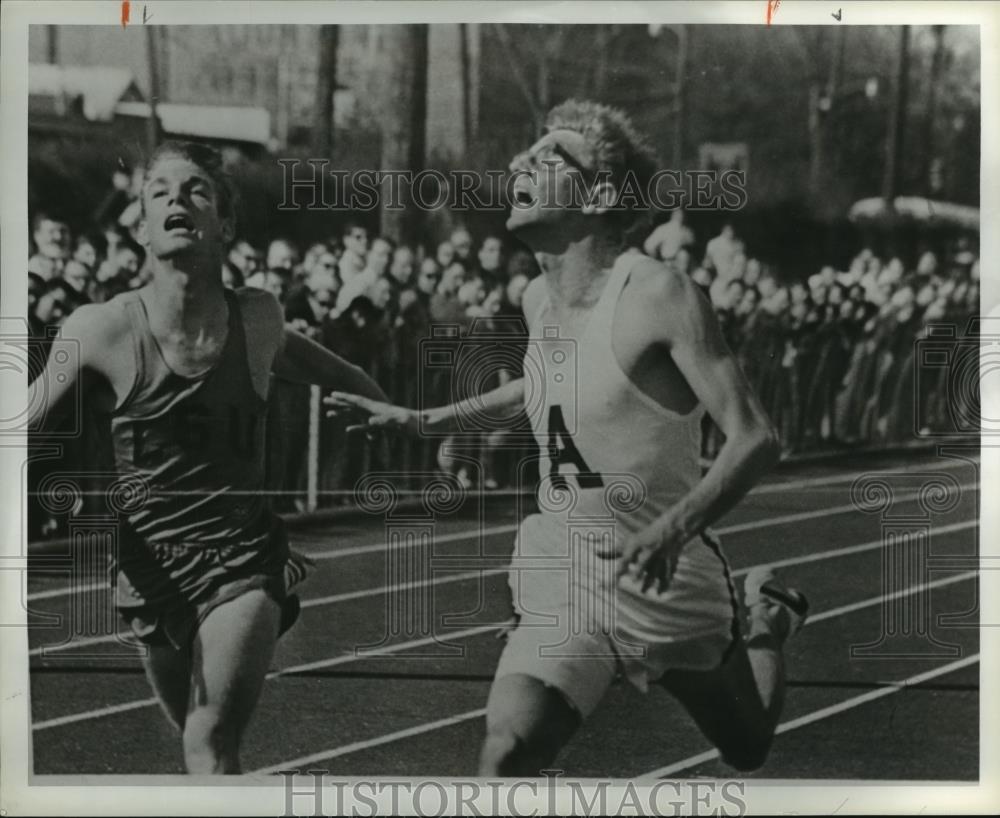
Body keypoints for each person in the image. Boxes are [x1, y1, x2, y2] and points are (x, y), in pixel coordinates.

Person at [328, 100, 808, 777]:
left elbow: (756, 438)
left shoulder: (657, 292)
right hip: (568, 568)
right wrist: (426, 421)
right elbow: (545, 383)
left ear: (601, 193)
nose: (522, 165)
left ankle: (765, 621)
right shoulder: (536, 299)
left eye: (549, 158)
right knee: (507, 755)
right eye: (525, 155)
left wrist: (668, 532)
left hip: (661, 572)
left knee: (748, 745)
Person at [28, 141, 390, 775]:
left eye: (196, 189)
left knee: (208, 741)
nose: (177, 199)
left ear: (225, 223)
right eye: (160, 191)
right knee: (209, 758)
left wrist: (407, 419)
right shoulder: (98, 328)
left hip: (241, 557)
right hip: (148, 569)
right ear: (139, 226)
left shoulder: (257, 318)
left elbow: (341, 371)